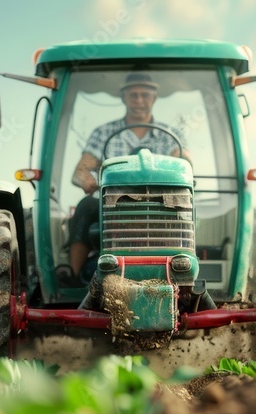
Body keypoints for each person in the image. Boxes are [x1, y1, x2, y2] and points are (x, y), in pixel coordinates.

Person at [63, 72, 190, 284]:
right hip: (114, 206)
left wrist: (183, 161)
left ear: (154, 98)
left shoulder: (171, 136)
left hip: (162, 206)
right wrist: (89, 181)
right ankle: (75, 281)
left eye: (145, 95)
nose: (139, 100)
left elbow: (186, 164)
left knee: (189, 210)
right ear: (124, 98)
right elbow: (81, 171)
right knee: (86, 206)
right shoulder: (104, 133)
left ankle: (183, 268)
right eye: (134, 95)